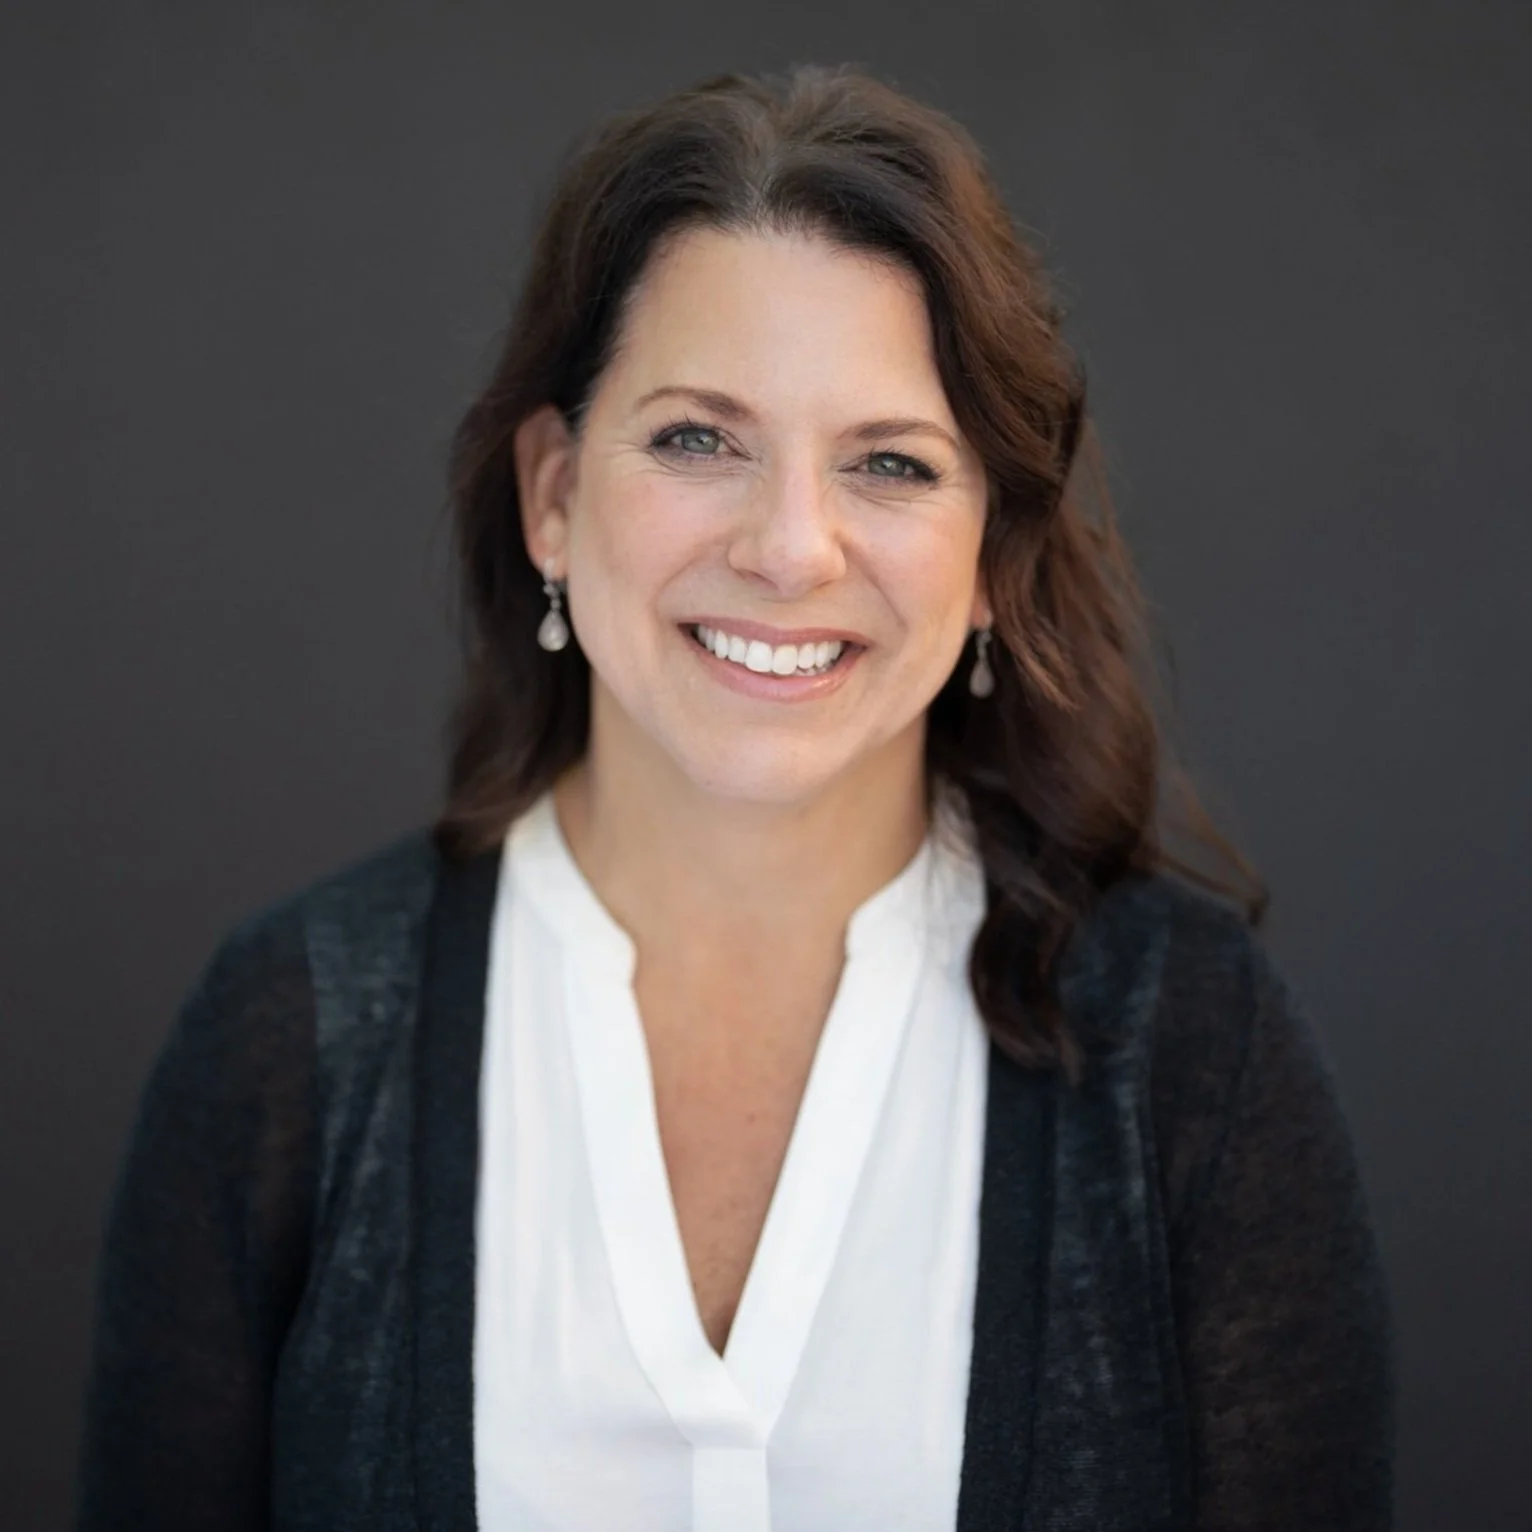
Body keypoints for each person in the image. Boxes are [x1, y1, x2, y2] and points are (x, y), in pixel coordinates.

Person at [75, 63, 1395, 1532]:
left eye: (889, 463)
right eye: (701, 438)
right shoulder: (289, 1041)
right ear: (555, 495)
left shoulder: (1192, 1054)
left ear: (991, 564)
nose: (790, 549)